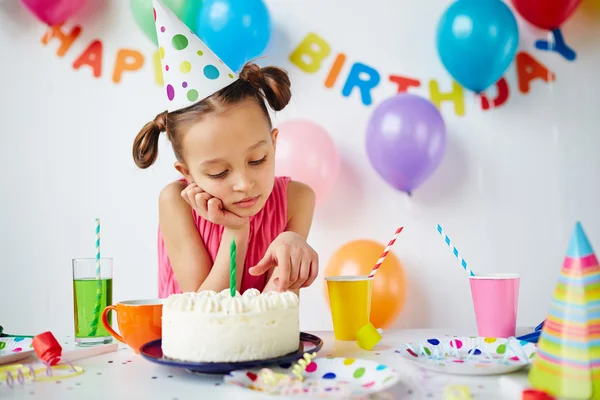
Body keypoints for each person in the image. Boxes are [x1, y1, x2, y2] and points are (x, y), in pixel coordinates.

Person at [132, 0, 319, 298]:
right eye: (219, 173)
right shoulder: (175, 203)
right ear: (188, 173)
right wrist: (236, 232)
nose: (244, 184)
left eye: (257, 159)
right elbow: (204, 315)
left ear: (273, 143)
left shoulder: (297, 199)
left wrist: (291, 263)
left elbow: (274, 317)